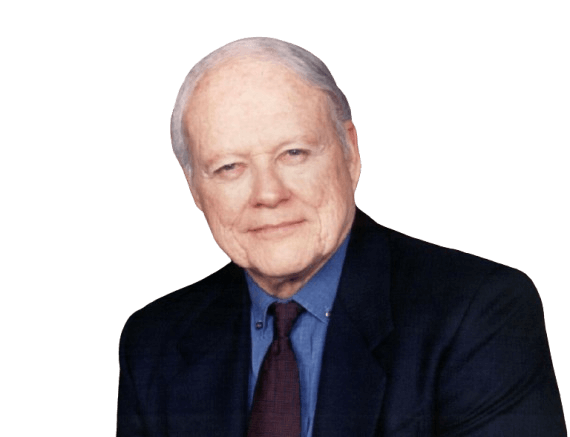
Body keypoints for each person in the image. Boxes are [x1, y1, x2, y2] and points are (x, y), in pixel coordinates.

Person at [116, 37, 565, 436]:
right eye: (229, 167)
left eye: (294, 153)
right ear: (195, 188)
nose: (268, 194)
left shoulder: (478, 311)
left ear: (350, 153)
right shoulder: (154, 342)